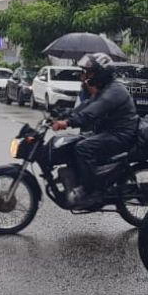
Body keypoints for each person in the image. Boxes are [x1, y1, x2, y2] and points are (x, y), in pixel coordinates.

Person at [51, 53, 139, 209]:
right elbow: (86, 106)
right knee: (75, 143)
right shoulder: (104, 89)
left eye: (89, 73)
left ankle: (91, 191)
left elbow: (92, 112)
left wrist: (67, 122)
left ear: (101, 73)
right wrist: (63, 113)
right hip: (109, 131)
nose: (85, 76)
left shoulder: (114, 91)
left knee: (83, 148)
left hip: (120, 134)